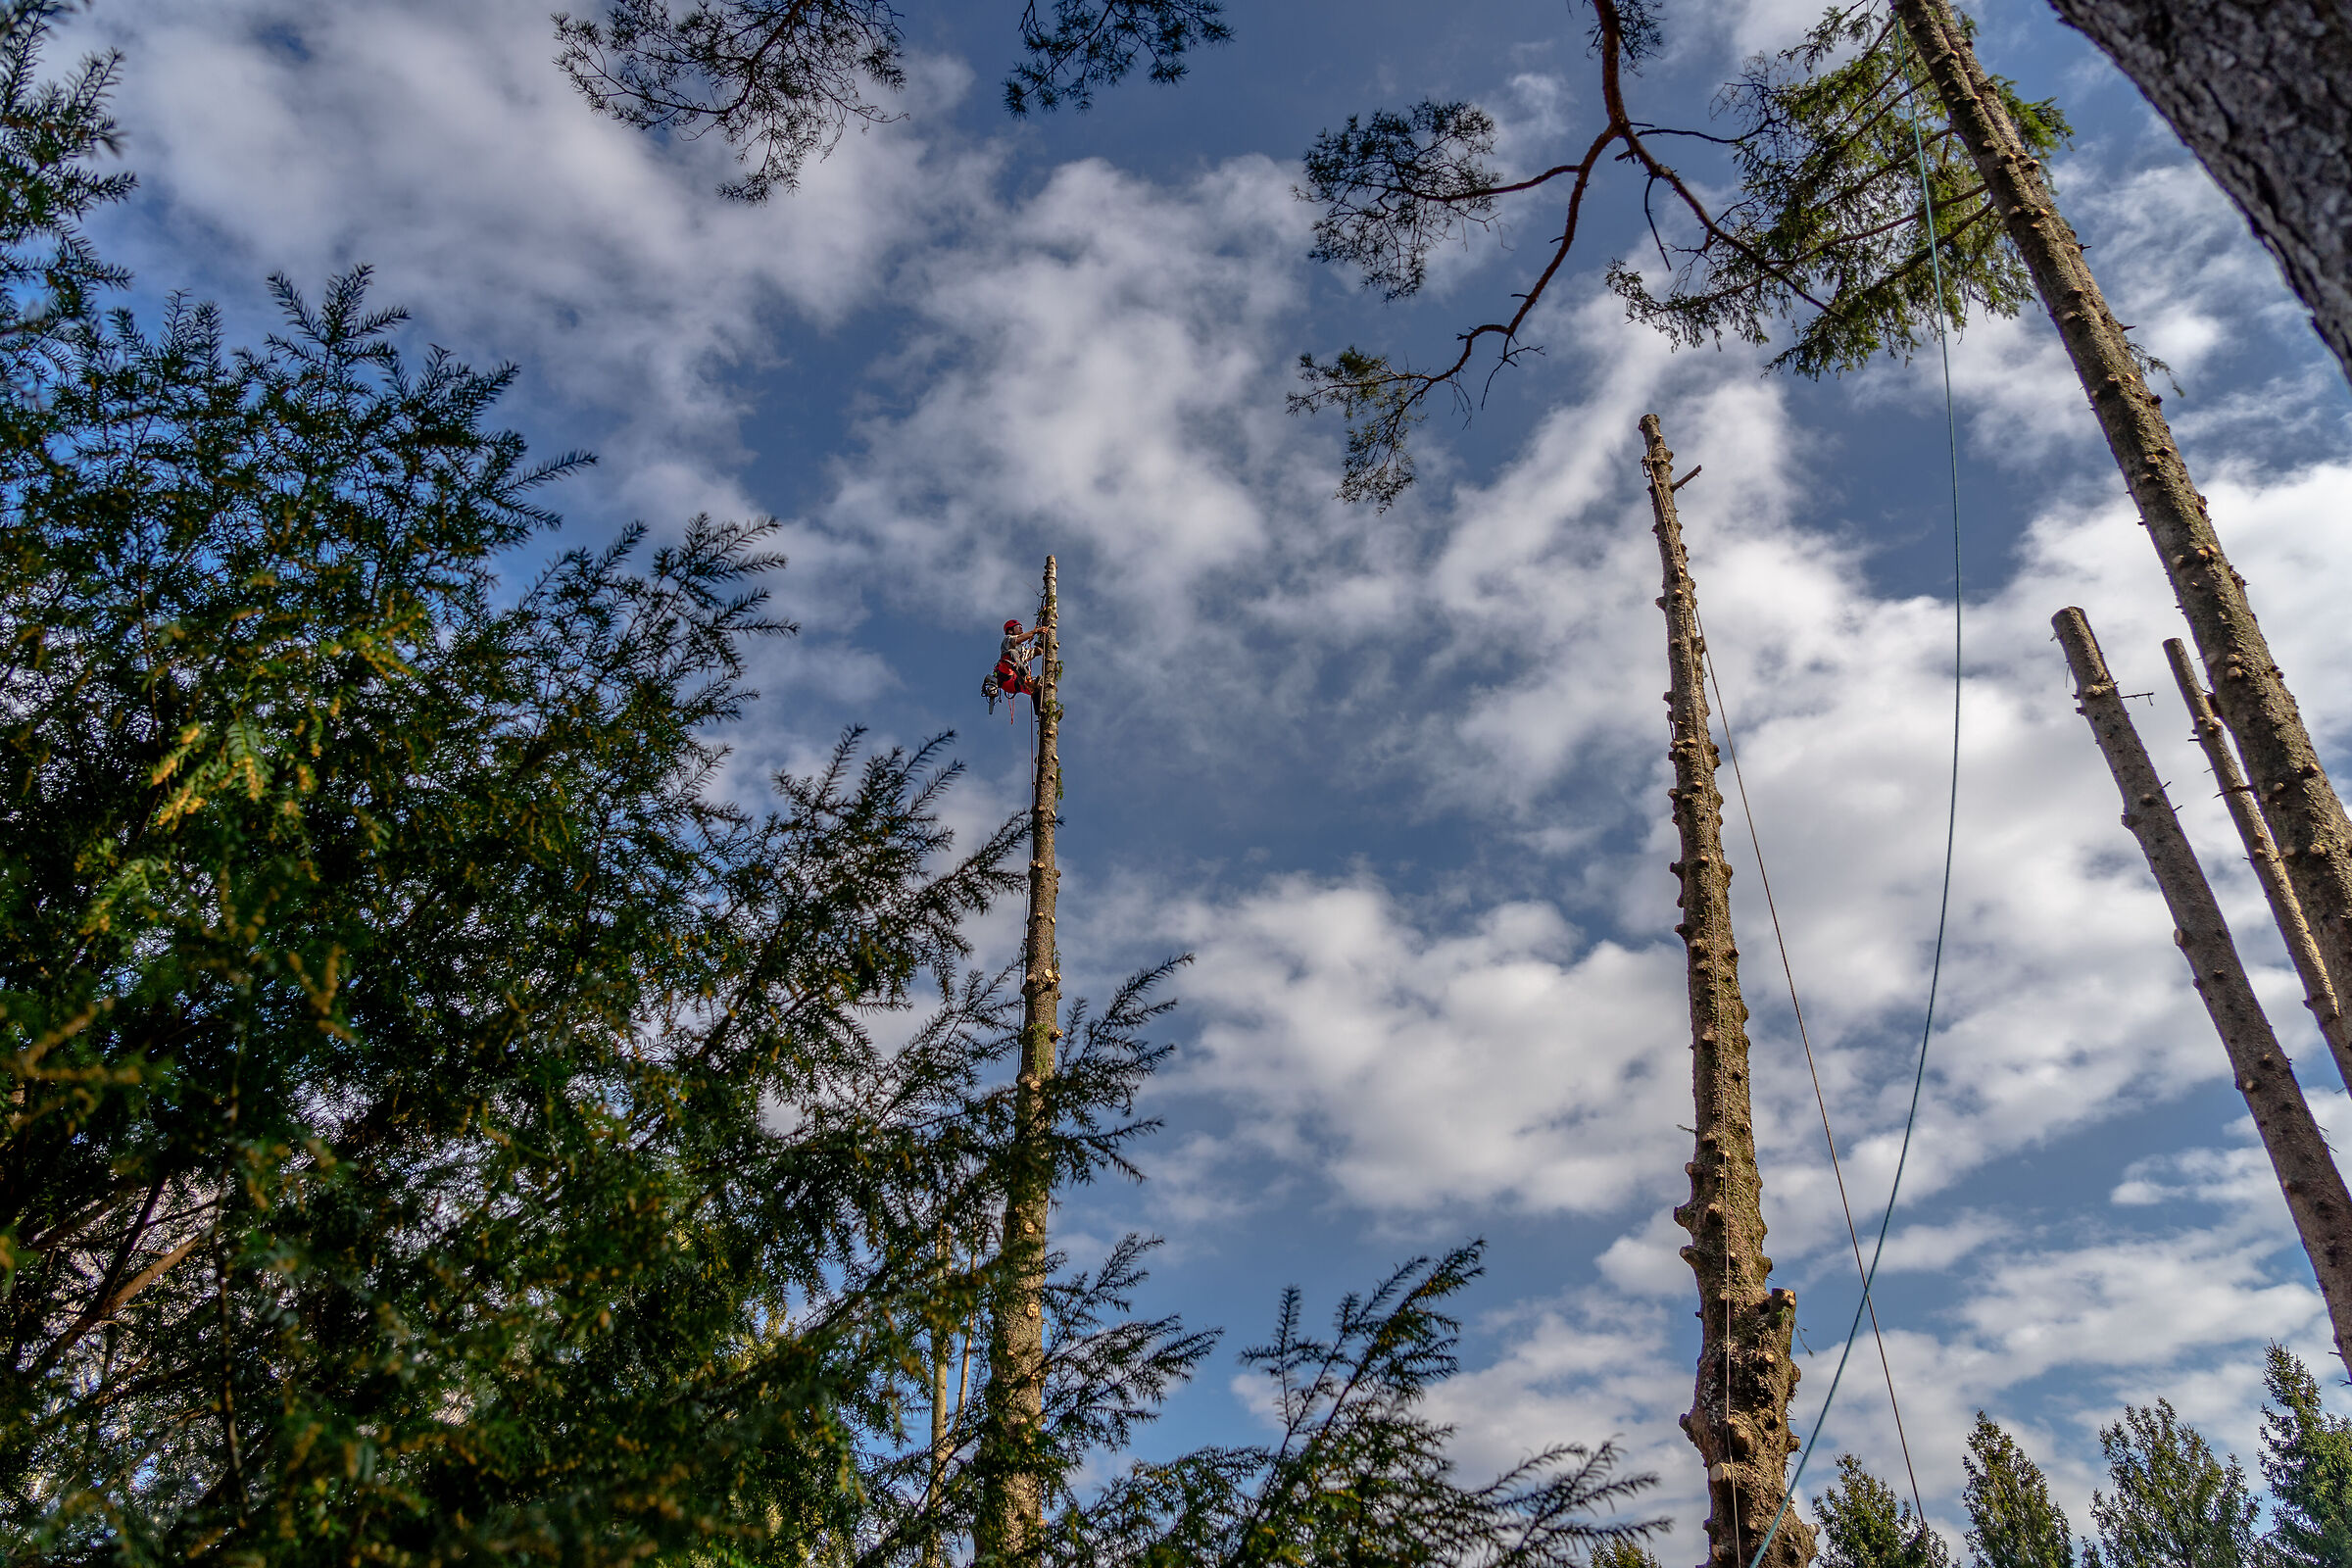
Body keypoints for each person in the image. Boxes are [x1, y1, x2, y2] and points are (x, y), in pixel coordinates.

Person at [984, 617, 1041, 714]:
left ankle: (1040, 711)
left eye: (1022, 627)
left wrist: (1041, 647)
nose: (1021, 629)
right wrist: (1035, 631)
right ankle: (1021, 671)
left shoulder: (1022, 651)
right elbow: (1018, 639)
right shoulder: (1008, 639)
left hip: (1015, 683)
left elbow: (1035, 652)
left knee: (1037, 687)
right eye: (1019, 627)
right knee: (1011, 653)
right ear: (1010, 630)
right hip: (1005, 675)